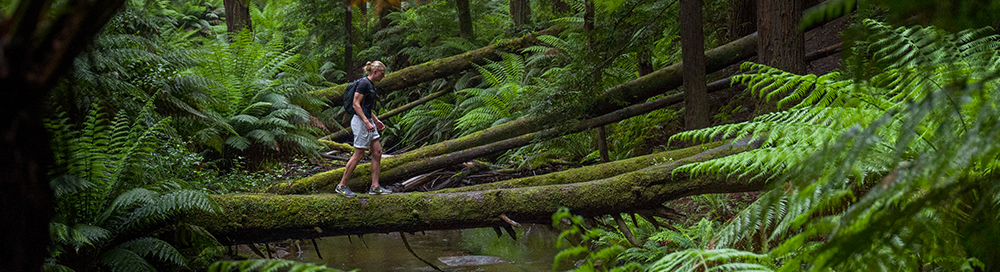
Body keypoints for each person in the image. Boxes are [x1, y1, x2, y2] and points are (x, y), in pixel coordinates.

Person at [336, 61, 391, 197]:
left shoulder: (371, 85)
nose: (383, 76)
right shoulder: (363, 84)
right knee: (359, 154)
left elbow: (366, 107)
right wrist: (366, 122)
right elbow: (356, 104)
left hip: (368, 121)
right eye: (382, 74)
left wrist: (375, 120)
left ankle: (375, 186)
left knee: (377, 152)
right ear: (375, 72)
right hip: (360, 122)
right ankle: (341, 185)